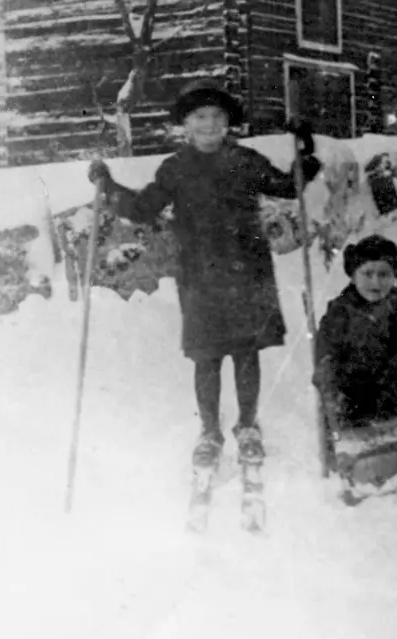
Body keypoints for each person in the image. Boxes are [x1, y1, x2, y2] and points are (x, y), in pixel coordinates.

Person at [87, 77, 320, 477]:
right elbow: (142, 209)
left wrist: (305, 154)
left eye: (216, 116)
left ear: (228, 122)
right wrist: (106, 185)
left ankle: (248, 426)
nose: (209, 124)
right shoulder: (175, 168)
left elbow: (286, 186)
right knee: (206, 355)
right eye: (200, 117)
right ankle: (210, 431)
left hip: (247, 270)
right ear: (186, 125)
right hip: (200, 274)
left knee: (246, 353)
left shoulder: (245, 160)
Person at [313, 235, 397, 429]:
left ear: (394, 277)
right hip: (355, 396)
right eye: (367, 274)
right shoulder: (341, 311)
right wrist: (329, 379)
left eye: (384, 275)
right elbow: (326, 352)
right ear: (353, 276)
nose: (376, 282)